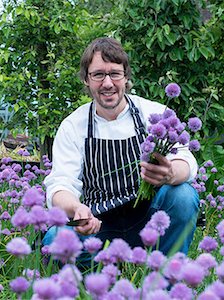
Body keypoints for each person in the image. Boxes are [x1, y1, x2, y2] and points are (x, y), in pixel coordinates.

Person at [43, 37, 199, 257]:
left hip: (151, 223)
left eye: (115, 74)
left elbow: (187, 160)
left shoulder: (152, 114)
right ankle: (102, 275)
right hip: (98, 226)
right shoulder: (73, 126)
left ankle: (164, 276)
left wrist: (171, 172)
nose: (107, 83)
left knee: (183, 195)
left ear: (126, 77)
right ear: (86, 80)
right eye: (98, 74)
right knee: (54, 240)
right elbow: (60, 185)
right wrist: (77, 209)